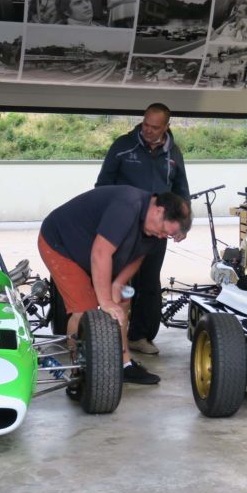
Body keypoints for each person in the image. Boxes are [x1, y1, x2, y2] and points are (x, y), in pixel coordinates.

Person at [38, 186, 192, 386]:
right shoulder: (127, 206)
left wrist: (118, 284)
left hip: (95, 252)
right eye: (164, 231)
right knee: (85, 311)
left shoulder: (155, 232)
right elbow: (100, 253)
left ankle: (124, 364)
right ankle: (78, 372)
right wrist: (106, 301)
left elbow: (138, 256)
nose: (162, 236)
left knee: (122, 302)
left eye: (168, 235)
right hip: (62, 244)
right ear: (159, 210)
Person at [96, 103, 190, 356]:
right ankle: (109, 333)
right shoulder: (123, 146)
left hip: (157, 227)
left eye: (155, 127)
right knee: (119, 278)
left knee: (148, 281)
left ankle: (140, 336)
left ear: (166, 127)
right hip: (123, 226)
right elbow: (103, 184)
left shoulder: (174, 153)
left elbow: (181, 191)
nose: (148, 130)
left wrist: (182, 224)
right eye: (146, 124)